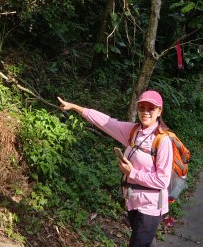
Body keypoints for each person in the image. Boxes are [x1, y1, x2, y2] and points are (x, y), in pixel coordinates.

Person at [57, 90, 173, 247]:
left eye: (151, 108)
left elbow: (162, 181)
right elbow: (105, 122)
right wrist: (76, 107)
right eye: (142, 107)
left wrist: (132, 173)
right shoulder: (133, 131)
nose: (145, 112)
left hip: (151, 207)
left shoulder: (163, 141)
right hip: (133, 201)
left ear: (159, 111)